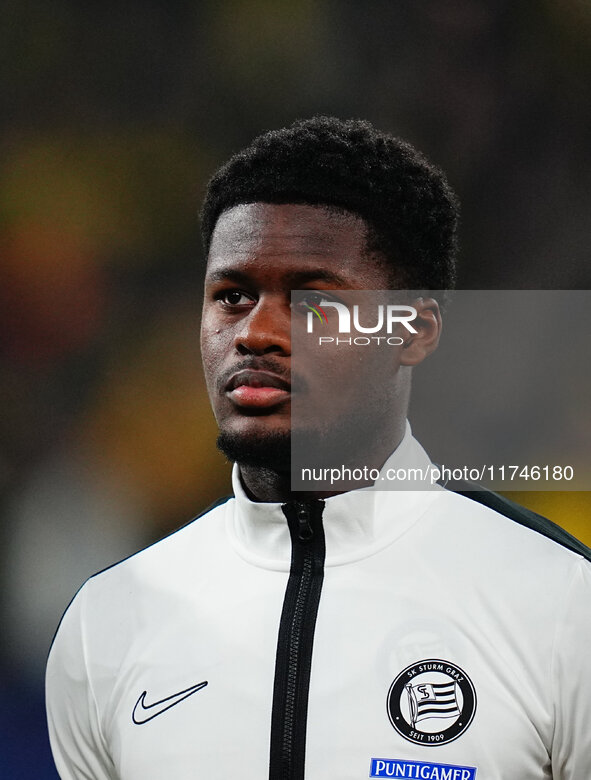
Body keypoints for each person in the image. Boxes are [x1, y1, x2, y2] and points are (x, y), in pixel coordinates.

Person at [46, 117, 591, 780]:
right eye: (232, 296)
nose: (256, 333)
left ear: (414, 331)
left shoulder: (563, 607)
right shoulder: (106, 624)